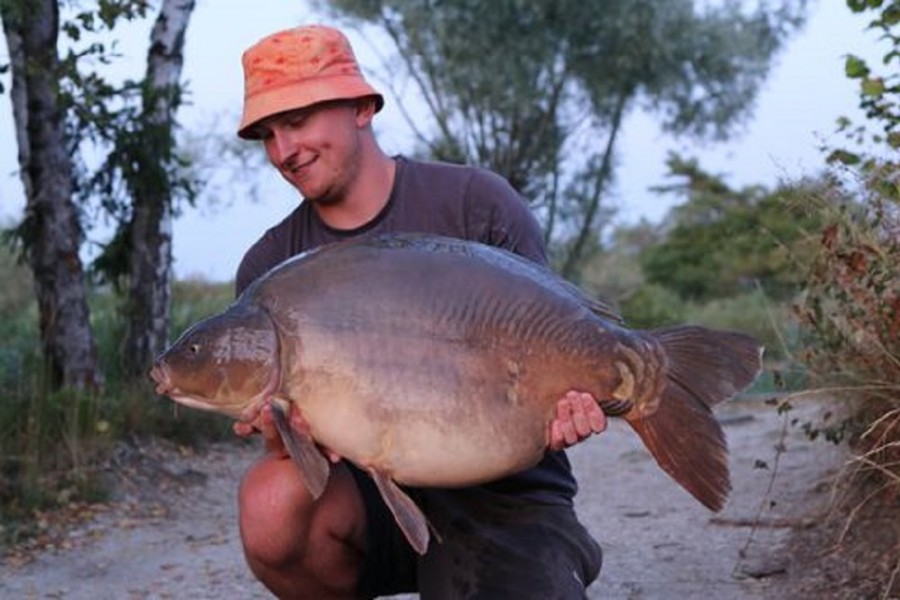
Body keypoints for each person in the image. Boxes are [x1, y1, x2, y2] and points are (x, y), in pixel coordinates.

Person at [232, 24, 608, 599]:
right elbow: (291, 452)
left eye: (299, 121)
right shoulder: (271, 266)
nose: (284, 151)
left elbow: (552, 338)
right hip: (366, 497)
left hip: (505, 493)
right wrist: (283, 430)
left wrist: (571, 405)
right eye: (268, 134)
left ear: (361, 107)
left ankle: (547, 556)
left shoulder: (475, 203)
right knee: (269, 504)